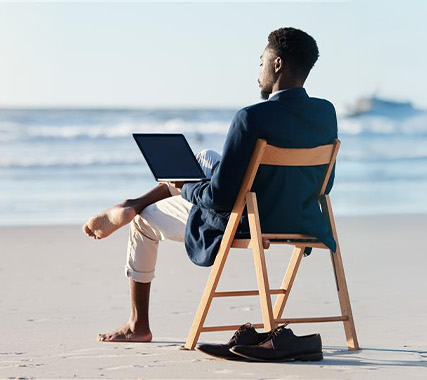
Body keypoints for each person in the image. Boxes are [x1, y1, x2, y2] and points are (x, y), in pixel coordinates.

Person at [82, 27, 341, 343]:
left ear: (277, 65)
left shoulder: (250, 117)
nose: (258, 70)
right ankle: (138, 200)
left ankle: (139, 322)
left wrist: (185, 187)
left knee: (143, 222)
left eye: (262, 61)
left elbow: (220, 198)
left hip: (247, 220)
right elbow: (324, 185)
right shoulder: (326, 113)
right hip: (300, 217)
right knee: (205, 156)